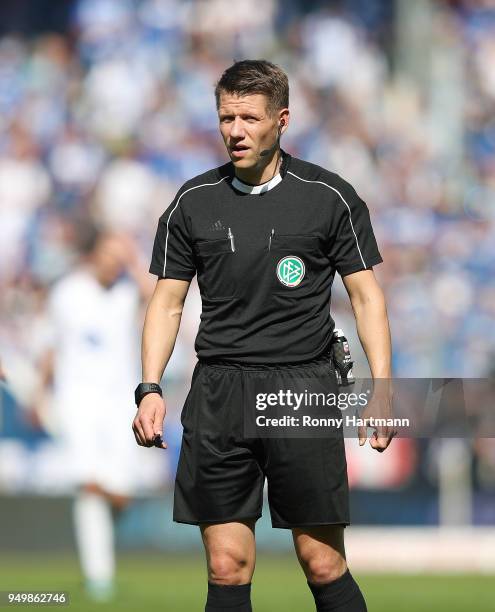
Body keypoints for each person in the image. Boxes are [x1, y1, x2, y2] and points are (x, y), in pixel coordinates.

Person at [133, 60, 394, 612]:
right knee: (227, 567)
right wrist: (149, 387)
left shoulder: (328, 196)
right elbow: (167, 302)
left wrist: (382, 386)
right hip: (220, 391)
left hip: (302, 387)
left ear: (282, 119)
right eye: (226, 117)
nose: (235, 130)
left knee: (321, 561)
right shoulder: (191, 201)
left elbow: (367, 297)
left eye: (249, 118)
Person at [35, 225, 156, 601]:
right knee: (88, 485)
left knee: (120, 491)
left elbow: (161, 299)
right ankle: (99, 578)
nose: (113, 262)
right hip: (78, 400)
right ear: (91, 255)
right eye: (108, 254)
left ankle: (111, 512)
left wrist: (134, 262)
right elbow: (51, 346)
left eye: (118, 256)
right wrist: (40, 393)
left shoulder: (125, 291)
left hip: (120, 401)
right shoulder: (67, 293)